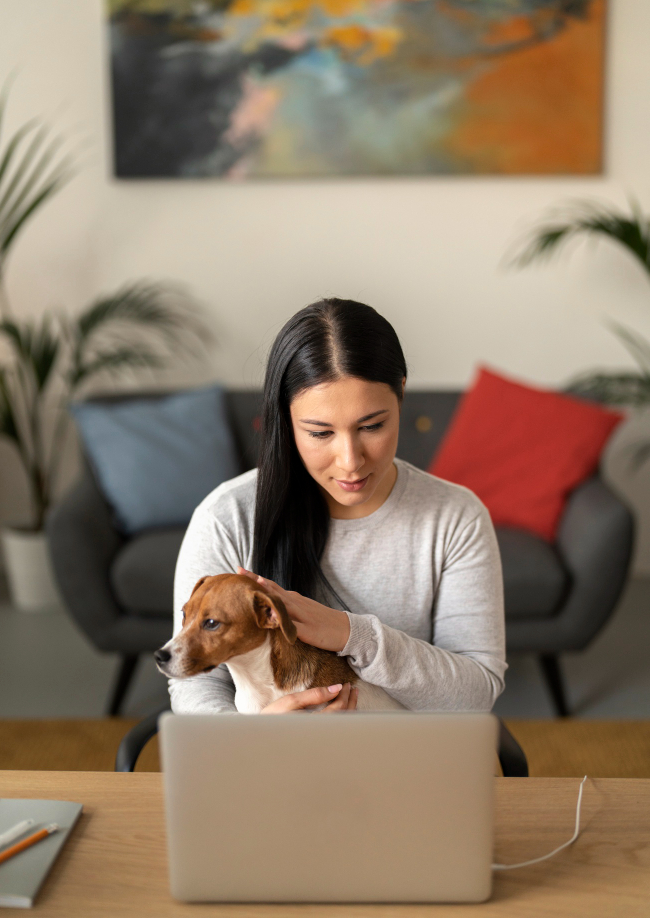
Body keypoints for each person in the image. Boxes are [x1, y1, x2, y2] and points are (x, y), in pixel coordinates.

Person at [170, 298, 506, 714]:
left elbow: (475, 695)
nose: (350, 460)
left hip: (408, 763)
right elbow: (193, 687)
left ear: (400, 393)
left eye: (372, 426)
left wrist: (353, 635)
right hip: (266, 768)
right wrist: (254, 739)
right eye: (320, 432)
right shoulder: (228, 518)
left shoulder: (455, 519)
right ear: (286, 417)